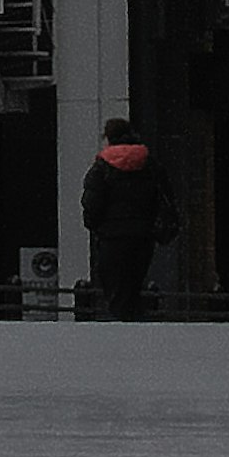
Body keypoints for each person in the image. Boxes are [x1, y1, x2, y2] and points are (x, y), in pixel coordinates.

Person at [81, 108, 176, 318]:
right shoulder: (149, 164)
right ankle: (134, 323)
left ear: (109, 138)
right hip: (142, 235)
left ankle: (120, 330)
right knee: (134, 285)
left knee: (114, 287)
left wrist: (95, 225)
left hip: (112, 237)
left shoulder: (101, 168)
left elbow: (92, 204)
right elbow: (165, 196)